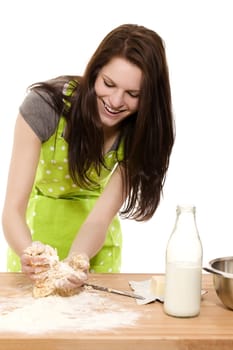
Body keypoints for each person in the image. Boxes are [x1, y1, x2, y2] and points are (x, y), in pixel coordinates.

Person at [2, 23, 175, 292]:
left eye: (133, 94)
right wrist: (32, 256)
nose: (116, 101)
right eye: (108, 84)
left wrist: (76, 263)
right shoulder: (44, 107)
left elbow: (99, 219)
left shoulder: (140, 132)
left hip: (94, 245)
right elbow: (12, 209)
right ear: (94, 72)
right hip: (33, 238)